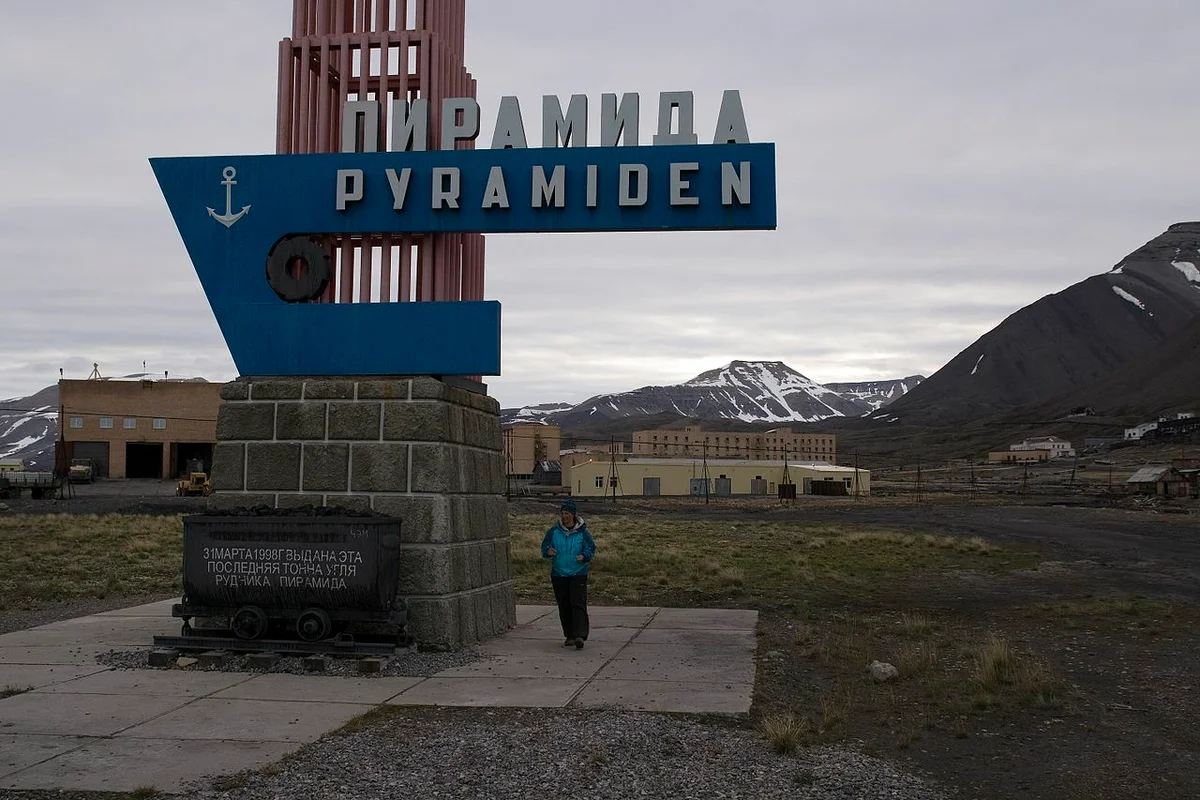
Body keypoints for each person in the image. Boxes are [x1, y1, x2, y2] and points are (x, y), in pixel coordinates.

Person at [540, 499, 596, 649]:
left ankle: (579, 635)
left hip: (578, 572)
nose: (564, 516)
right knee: (564, 604)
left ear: (573, 514)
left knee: (578, 603)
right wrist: (548, 552)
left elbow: (591, 548)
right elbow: (544, 547)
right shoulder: (553, 532)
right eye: (562, 513)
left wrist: (584, 556)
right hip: (559, 573)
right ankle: (569, 635)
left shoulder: (583, 532)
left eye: (567, 513)